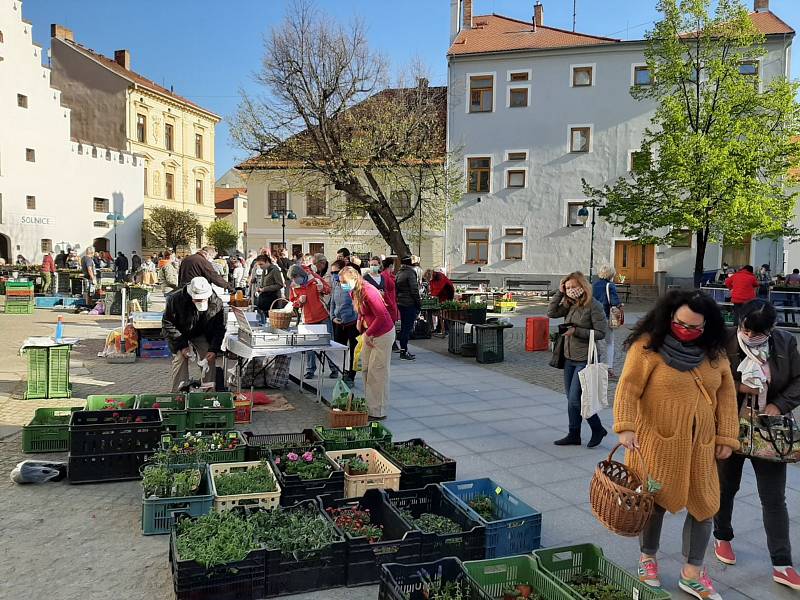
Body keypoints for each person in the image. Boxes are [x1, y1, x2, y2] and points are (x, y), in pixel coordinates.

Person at [614, 290, 739, 599]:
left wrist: (727, 436)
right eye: (681, 323)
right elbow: (628, 389)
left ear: (707, 327)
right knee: (653, 503)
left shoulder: (715, 353)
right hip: (656, 442)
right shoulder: (647, 348)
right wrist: (625, 427)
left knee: (705, 505)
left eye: (695, 327)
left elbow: (726, 396)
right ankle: (648, 559)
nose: (686, 330)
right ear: (669, 317)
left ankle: (692, 572)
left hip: (702, 446)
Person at [713, 300, 800, 589]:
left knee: (774, 497)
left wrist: (779, 404)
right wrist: (739, 387)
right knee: (726, 488)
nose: (750, 336)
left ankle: (782, 562)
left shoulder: (785, 342)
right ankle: (722, 536)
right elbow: (708, 377)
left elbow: (798, 380)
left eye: (757, 333)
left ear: (770, 329)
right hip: (730, 426)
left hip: (769, 429)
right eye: (745, 330)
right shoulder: (723, 340)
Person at [547, 271, 608, 447]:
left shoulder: (593, 305)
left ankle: (597, 428)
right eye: (568, 288)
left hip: (584, 358)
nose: (571, 290)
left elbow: (601, 332)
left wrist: (577, 331)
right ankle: (574, 434)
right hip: (568, 357)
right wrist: (559, 292)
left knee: (576, 399)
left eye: (574, 287)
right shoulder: (569, 303)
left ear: (583, 286)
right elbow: (551, 312)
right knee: (571, 399)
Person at [339, 265, 395, 419]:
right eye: (340, 282)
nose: (341, 285)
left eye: (343, 281)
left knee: (378, 373)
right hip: (369, 334)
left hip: (382, 334)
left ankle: (378, 411)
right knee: (365, 370)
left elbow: (382, 316)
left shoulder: (369, 291)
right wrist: (359, 320)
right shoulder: (354, 291)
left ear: (353, 279)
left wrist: (368, 334)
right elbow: (363, 310)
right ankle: (370, 406)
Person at [162, 277, 225, 392]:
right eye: (197, 300)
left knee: (208, 357)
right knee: (180, 358)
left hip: (201, 332)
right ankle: (178, 393)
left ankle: (209, 393)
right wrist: (182, 345)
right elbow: (168, 323)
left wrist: (213, 349)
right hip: (180, 332)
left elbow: (219, 328)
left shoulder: (216, 302)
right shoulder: (175, 299)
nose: (199, 302)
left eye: (202, 300)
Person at [287, 264, 335, 379]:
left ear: (301, 275)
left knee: (329, 344)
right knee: (309, 347)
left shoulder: (315, 279)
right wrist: (299, 301)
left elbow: (328, 290)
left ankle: (334, 369)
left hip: (323, 316)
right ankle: (310, 370)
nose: (295, 280)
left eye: (296, 277)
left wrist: (321, 288)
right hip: (307, 319)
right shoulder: (294, 286)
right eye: (293, 279)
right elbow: (292, 302)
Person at [329, 260, 359, 382]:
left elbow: (355, 301)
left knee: (353, 351)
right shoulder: (336, 284)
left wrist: (351, 316)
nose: (334, 275)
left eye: (336, 272)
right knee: (339, 350)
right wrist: (332, 317)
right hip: (338, 323)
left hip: (352, 324)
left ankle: (351, 375)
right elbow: (332, 303)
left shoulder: (349, 284)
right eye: (332, 272)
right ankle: (342, 371)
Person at [593, 265, 622, 379]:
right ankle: (609, 368)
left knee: (595, 343)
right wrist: (620, 305)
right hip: (606, 316)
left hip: (594, 318)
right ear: (611, 274)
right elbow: (614, 302)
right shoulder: (610, 285)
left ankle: (595, 366)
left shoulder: (593, 285)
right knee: (610, 343)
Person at [395, 256, 421, 361]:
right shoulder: (410, 273)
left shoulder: (399, 273)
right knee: (407, 327)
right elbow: (414, 290)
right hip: (409, 303)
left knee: (404, 327)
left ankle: (403, 349)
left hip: (401, 302)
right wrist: (418, 303)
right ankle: (404, 351)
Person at [255, 254, 286, 322]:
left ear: (267, 262)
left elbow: (279, 284)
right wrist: (260, 288)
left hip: (273, 299)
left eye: (261, 264)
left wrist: (264, 289)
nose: (260, 266)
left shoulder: (275, 270)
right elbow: (263, 283)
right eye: (259, 265)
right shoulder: (265, 270)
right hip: (265, 299)